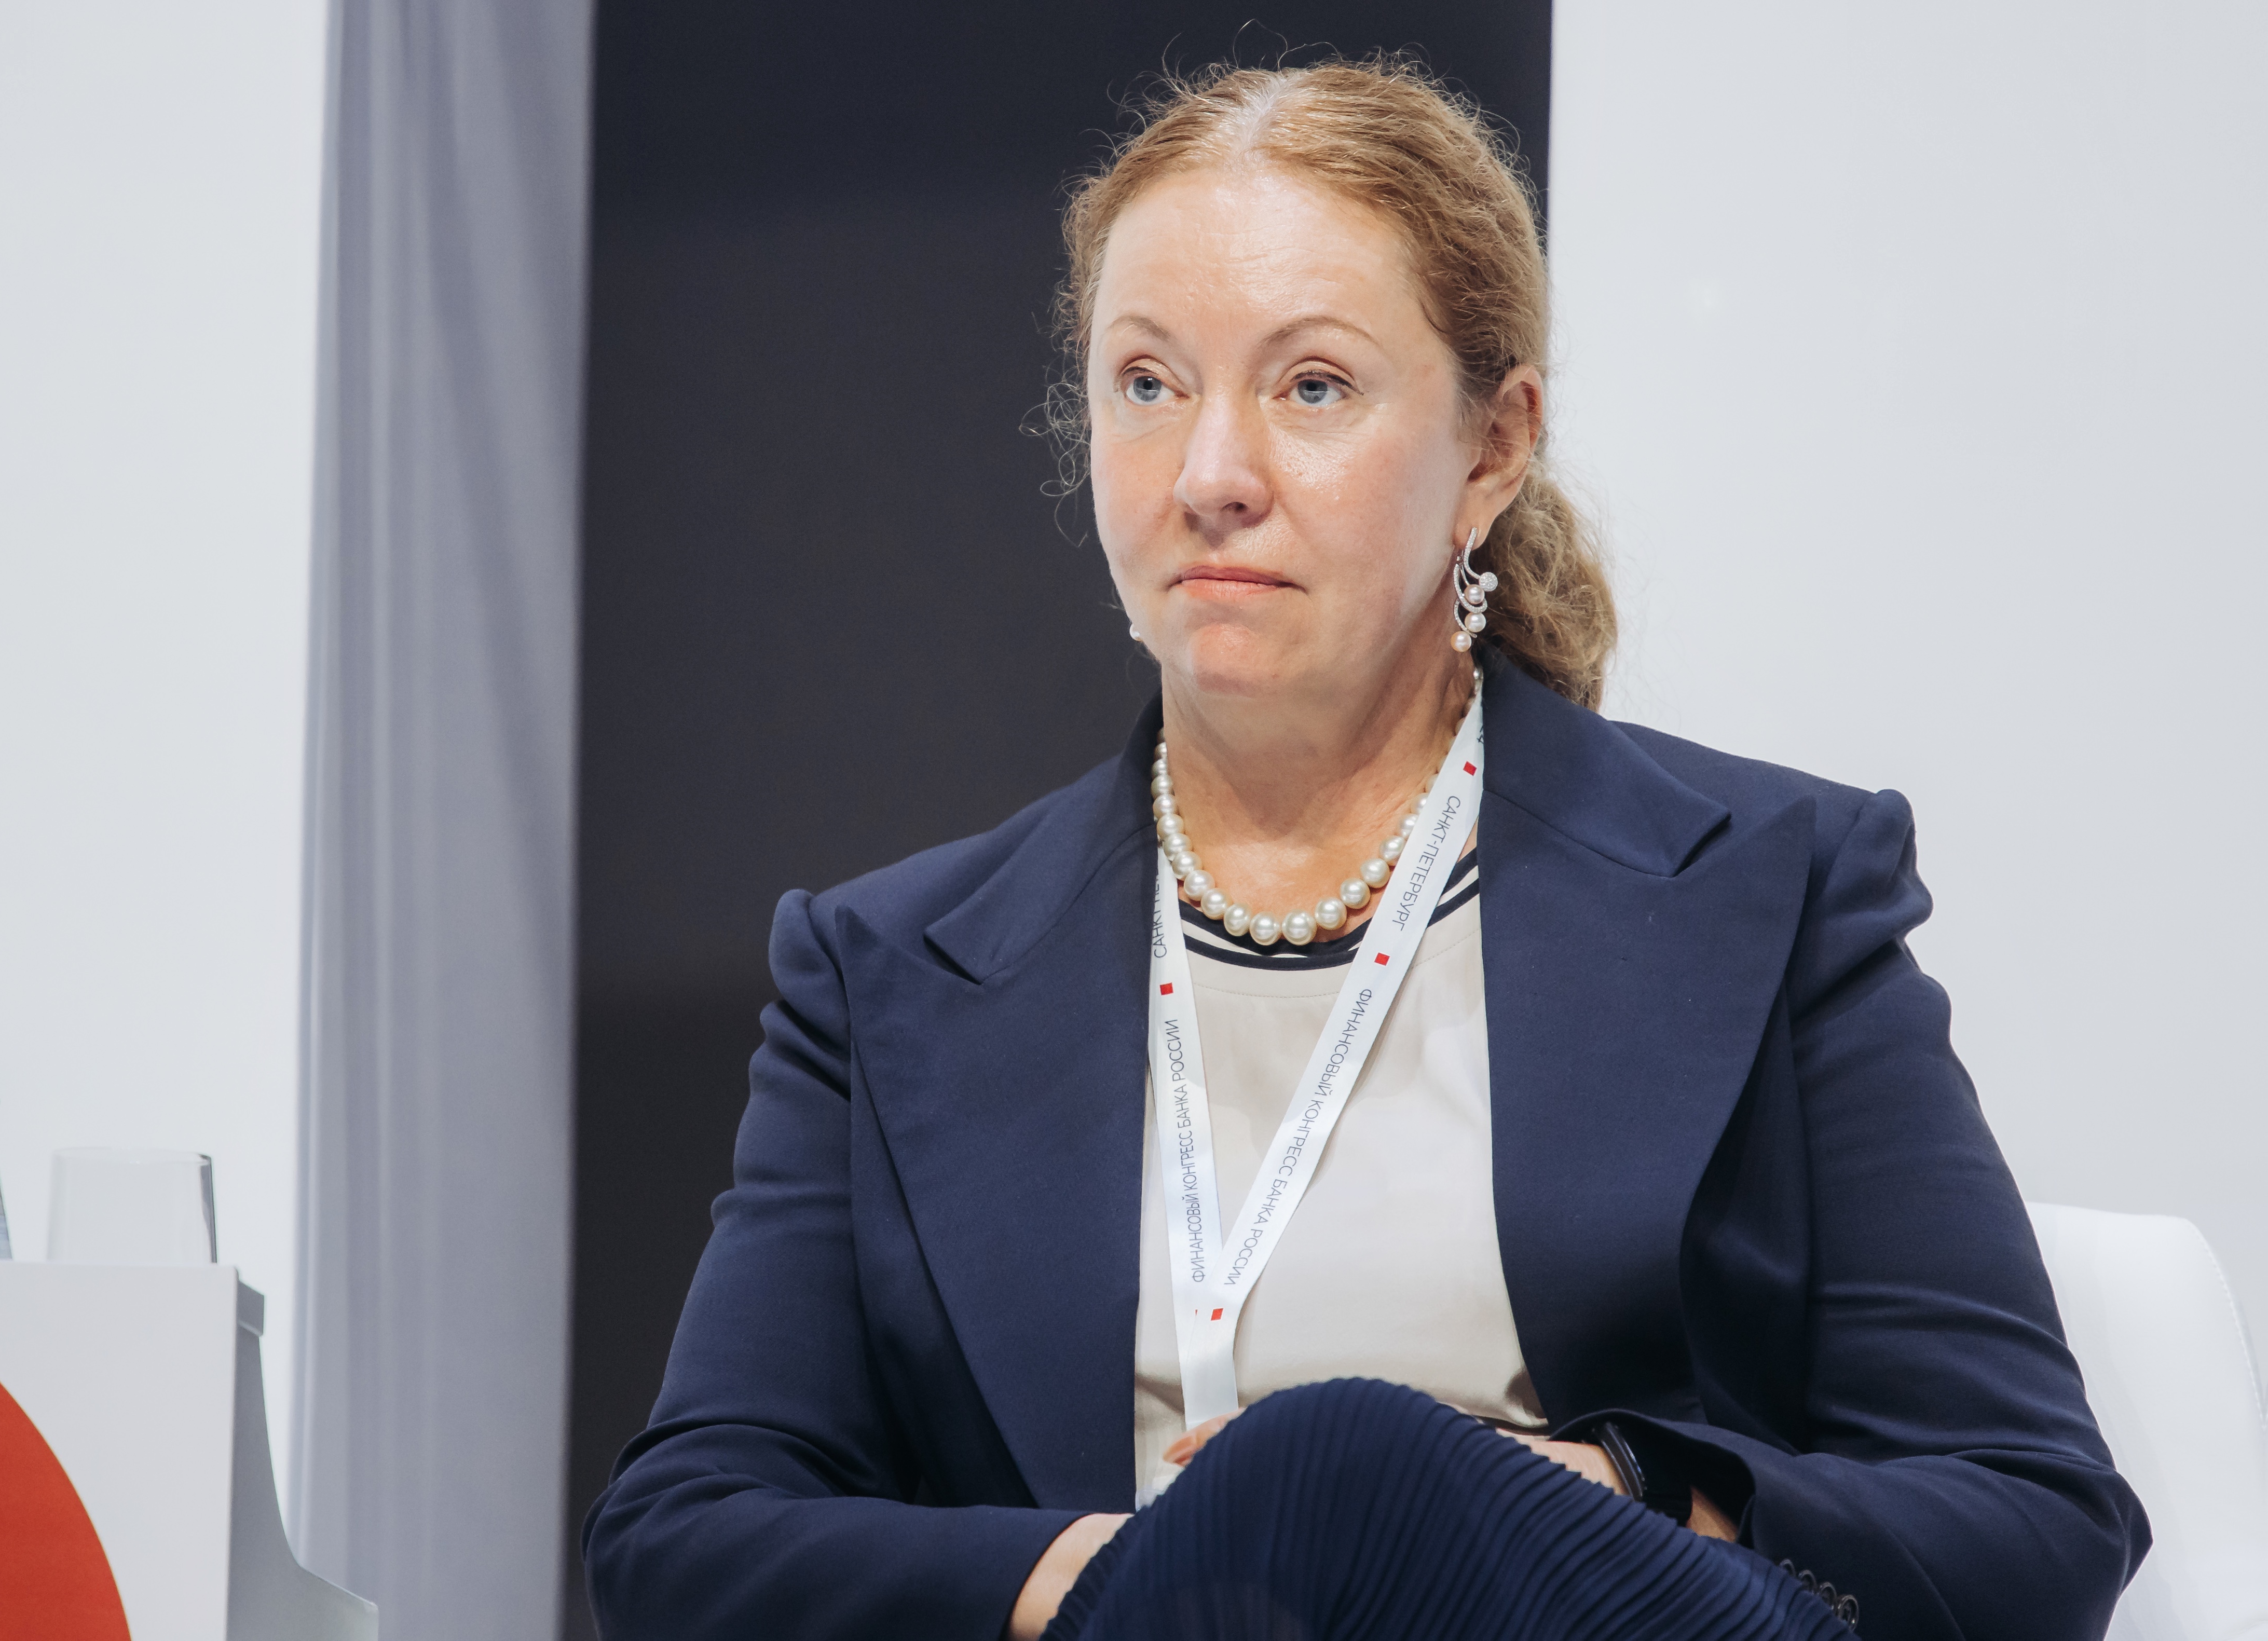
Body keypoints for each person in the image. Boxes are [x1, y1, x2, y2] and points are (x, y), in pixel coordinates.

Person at [582, 57, 2148, 1641]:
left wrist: (1576, 1490)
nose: (1212, 476)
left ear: (1493, 449)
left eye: (1312, 387)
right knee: (1307, 1486)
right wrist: (1131, 1570)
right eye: (1148, 383)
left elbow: (2032, 1517)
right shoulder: (886, 972)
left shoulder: (1775, 887)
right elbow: (682, 1540)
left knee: (1348, 1460)